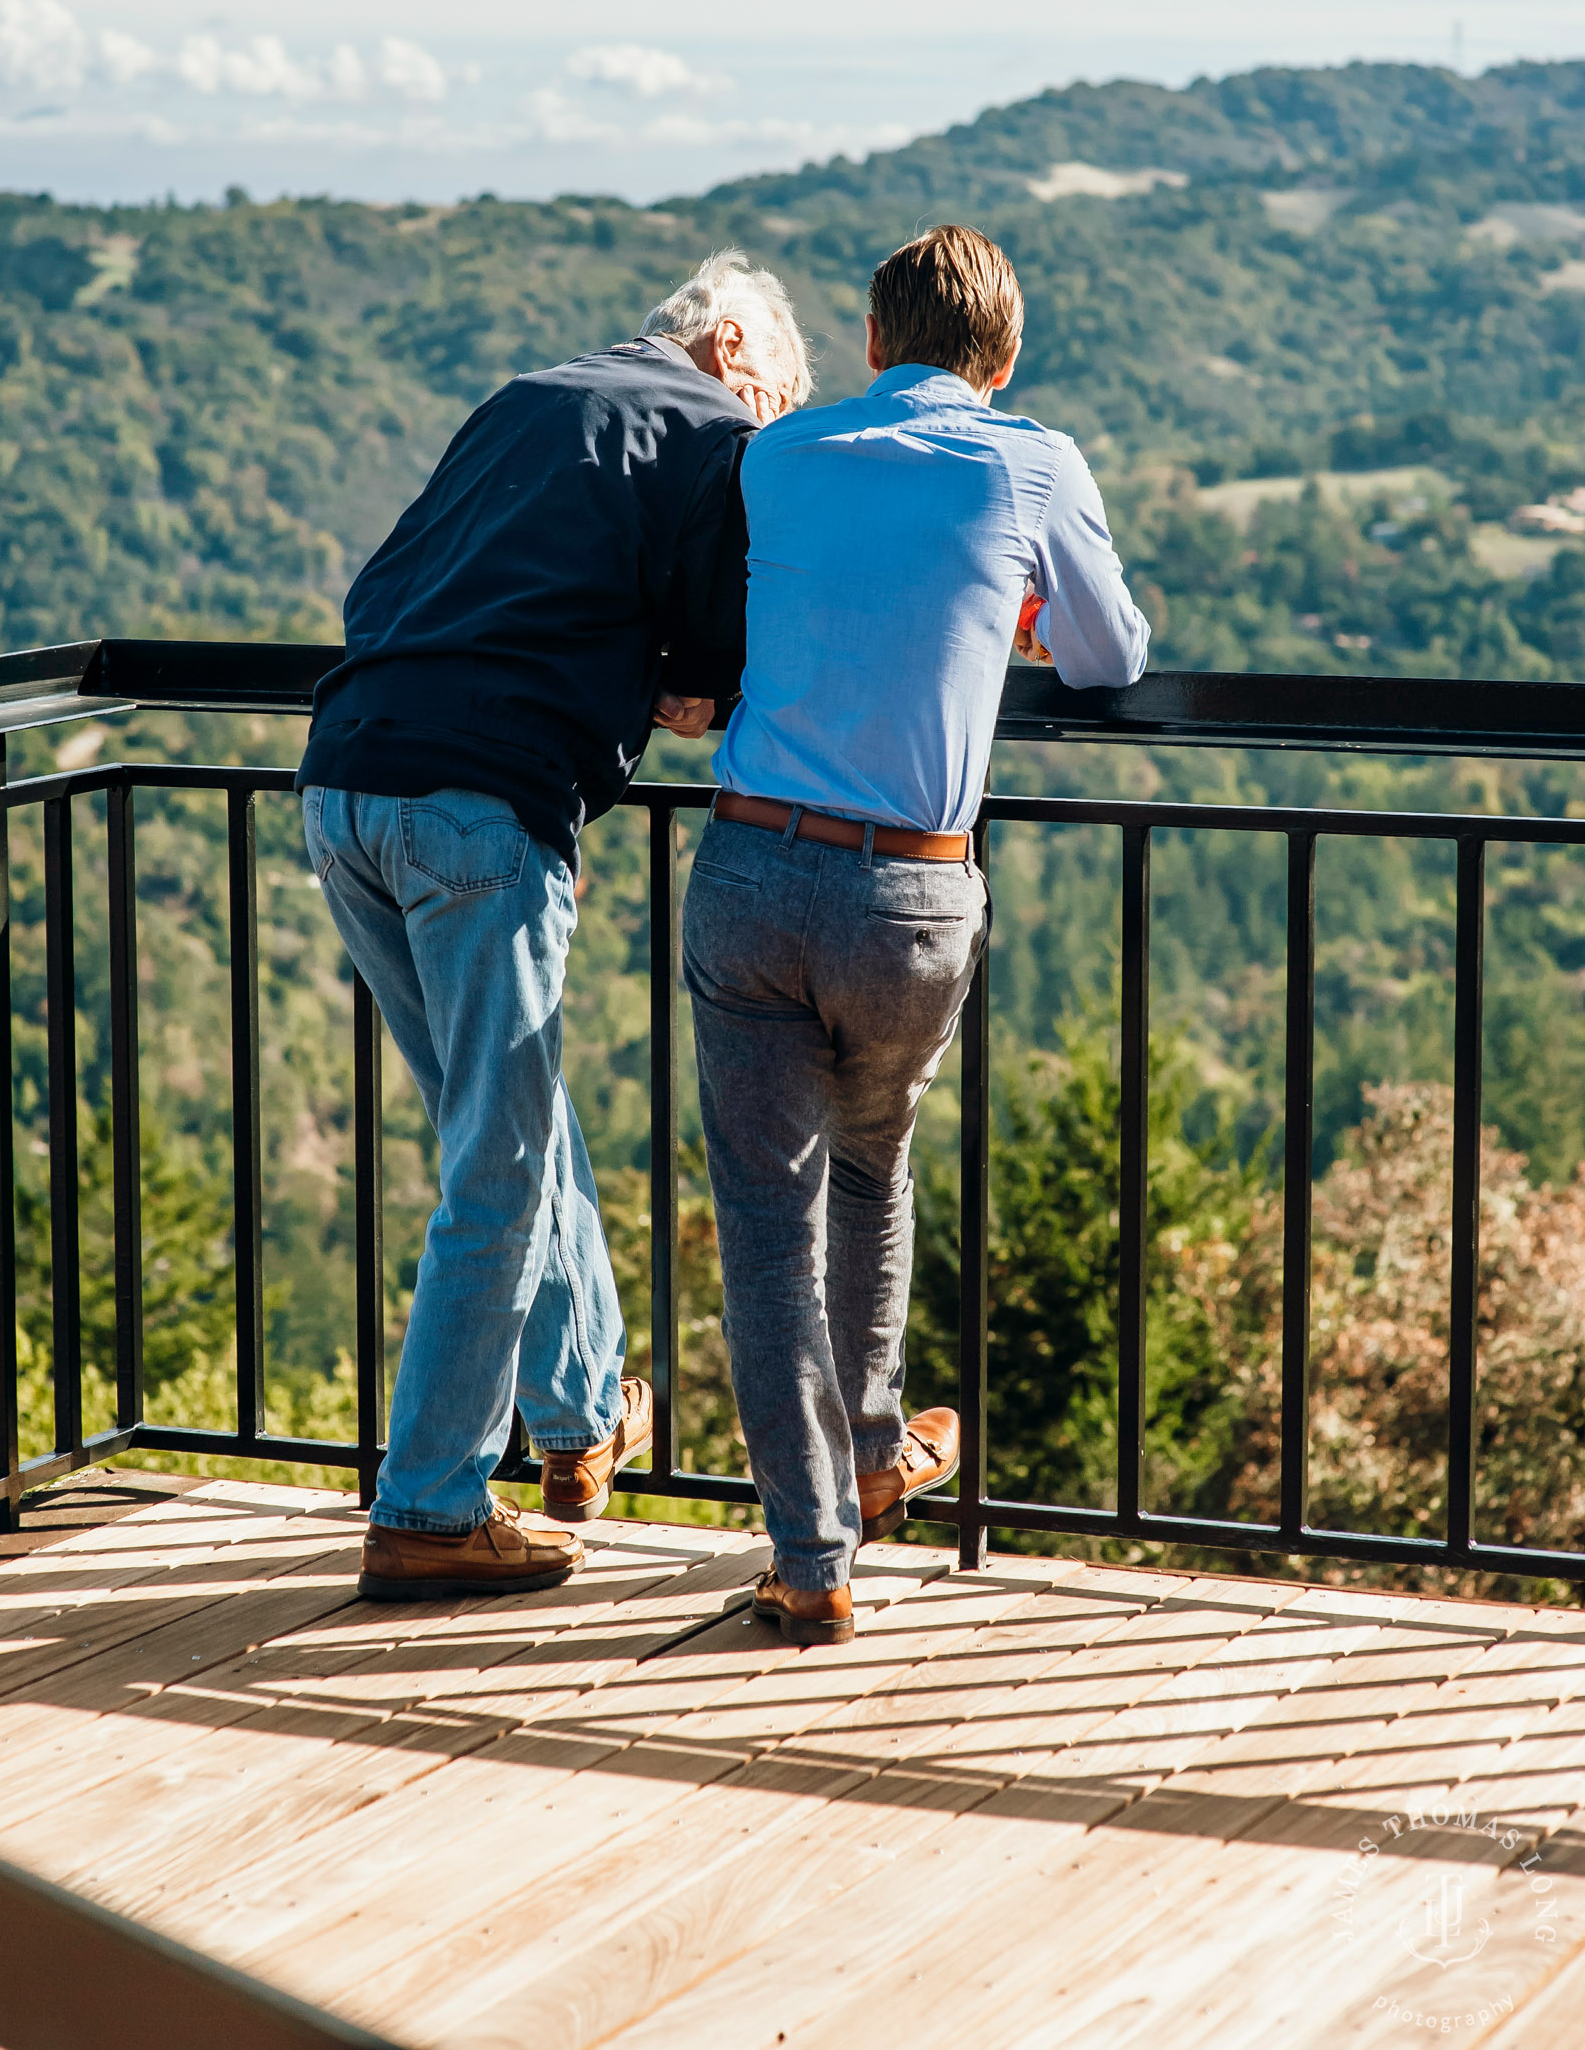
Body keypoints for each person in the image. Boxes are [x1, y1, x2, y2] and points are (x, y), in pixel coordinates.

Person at [299, 251, 809, 1602]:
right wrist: (676, 683)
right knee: (499, 1163)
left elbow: (390, 585)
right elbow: (717, 666)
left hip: (346, 779)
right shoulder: (710, 434)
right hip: (481, 804)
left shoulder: (527, 396)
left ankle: (584, 1416)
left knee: (508, 1126)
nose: (771, 420)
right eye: (774, 391)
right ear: (732, 345)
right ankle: (429, 1505)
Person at [683, 224, 1149, 1644]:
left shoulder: (777, 458)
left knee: (766, 1225)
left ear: (872, 344)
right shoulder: (1030, 461)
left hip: (751, 868)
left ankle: (811, 1555)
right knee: (872, 1169)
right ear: (1002, 362)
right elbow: (1110, 657)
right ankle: (879, 1444)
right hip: (911, 897)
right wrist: (1004, 613)